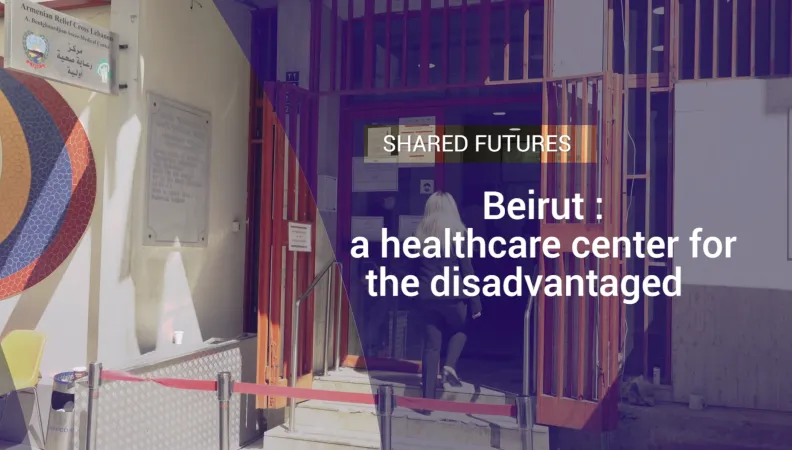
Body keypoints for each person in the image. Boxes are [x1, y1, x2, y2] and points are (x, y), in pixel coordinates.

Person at [413, 192, 482, 402]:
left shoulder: (420, 233)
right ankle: (450, 365)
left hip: (427, 297)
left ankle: (426, 401)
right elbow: (466, 270)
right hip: (453, 296)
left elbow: (412, 267)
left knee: (431, 346)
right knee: (461, 328)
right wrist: (475, 302)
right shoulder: (459, 234)